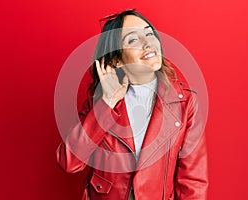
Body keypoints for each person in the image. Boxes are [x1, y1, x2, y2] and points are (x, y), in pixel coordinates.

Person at [56, 9, 208, 200]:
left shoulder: (185, 103)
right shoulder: (100, 101)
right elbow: (69, 162)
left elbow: (193, 182)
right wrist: (107, 103)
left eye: (149, 33)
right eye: (133, 40)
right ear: (117, 59)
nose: (148, 43)